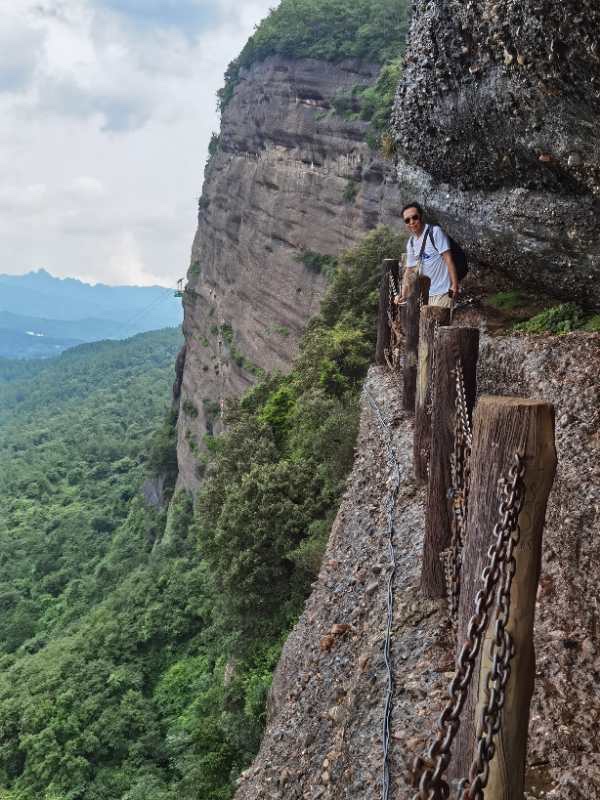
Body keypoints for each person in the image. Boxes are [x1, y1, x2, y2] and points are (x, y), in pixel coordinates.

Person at [395, 202, 459, 308]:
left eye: (414, 217)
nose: (412, 222)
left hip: (443, 292)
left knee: (440, 323)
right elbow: (409, 270)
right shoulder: (411, 243)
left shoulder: (434, 232)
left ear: (421, 217)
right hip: (425, 295)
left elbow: (448, 259)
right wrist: (403, 294)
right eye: (407, 220)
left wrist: (454, 285)